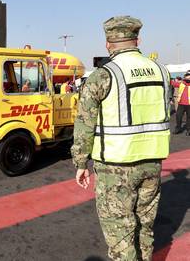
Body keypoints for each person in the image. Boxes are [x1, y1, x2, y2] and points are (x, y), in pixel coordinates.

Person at [71, 16, 171, 261]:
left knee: (120, 234)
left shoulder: (103, 75)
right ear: (137, 39)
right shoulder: (162, 71)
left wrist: (81, 163)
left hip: (116, 166)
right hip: (153, 163)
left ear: (108, 44)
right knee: (145, 226)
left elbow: (84, 124)